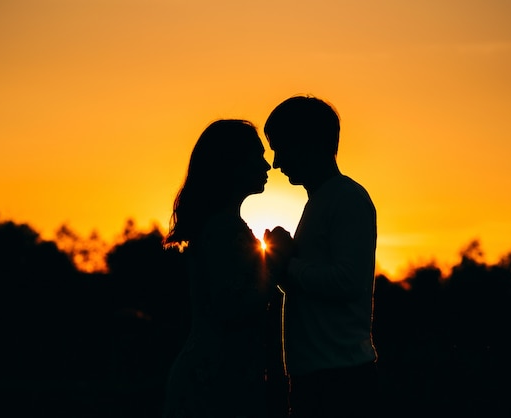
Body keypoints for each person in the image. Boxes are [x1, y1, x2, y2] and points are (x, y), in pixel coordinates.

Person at [263, 96, 380, 418]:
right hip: (316, 374)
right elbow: (308, 287)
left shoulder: (347, 198)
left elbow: (348, 282)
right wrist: (280, 264)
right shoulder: (322, 200)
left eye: (281, 147)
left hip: (340, 377)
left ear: (308, 143)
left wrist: (287, 264)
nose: (275, 162)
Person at [162, 119, 284, 418]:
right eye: (256, 156)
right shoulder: (221, 229)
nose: (266, 165)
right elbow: (233, 307)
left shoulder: (225, 226)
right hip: (213, 383)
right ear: (231, 164)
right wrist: (275, 263)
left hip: (222, 378)